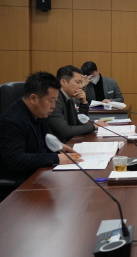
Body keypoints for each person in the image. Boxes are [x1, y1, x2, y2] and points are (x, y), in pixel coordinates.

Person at [0, 72, 82, 201]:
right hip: (21, 189)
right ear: (33, 99)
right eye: (50, 101)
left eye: (55, 101)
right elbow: (16, 159)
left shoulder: (38, 113)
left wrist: (57, 147)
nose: (53, 106)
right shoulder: (12, 121)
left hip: (39, 175)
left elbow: (41, 142)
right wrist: (55, 158)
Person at [48, 65, 107, 143]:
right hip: (58, 146)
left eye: (81, 83)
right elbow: (66, 131)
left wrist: (83, 103)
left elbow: (78, 123)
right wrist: (93, 126)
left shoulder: (68, 98)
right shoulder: (55, 100)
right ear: (63, 82)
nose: (80, 87)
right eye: (78, 82)